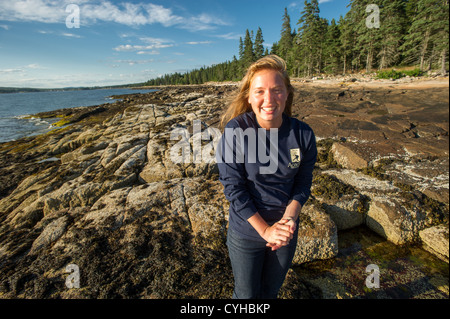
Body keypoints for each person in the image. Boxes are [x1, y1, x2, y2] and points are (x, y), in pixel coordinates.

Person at [216, 55, 317, 299]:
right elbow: (234, 189)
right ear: (249, 97)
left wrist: (289, 220)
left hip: (285, 232)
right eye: (259, 91)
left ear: (287, 93)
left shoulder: (302, 134)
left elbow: (302, 184)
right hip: (247, 231)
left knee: (270, 293)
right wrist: (265, 231)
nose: (269, 99)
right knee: (247, 296)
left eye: (276, 90)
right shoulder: (236, 131)